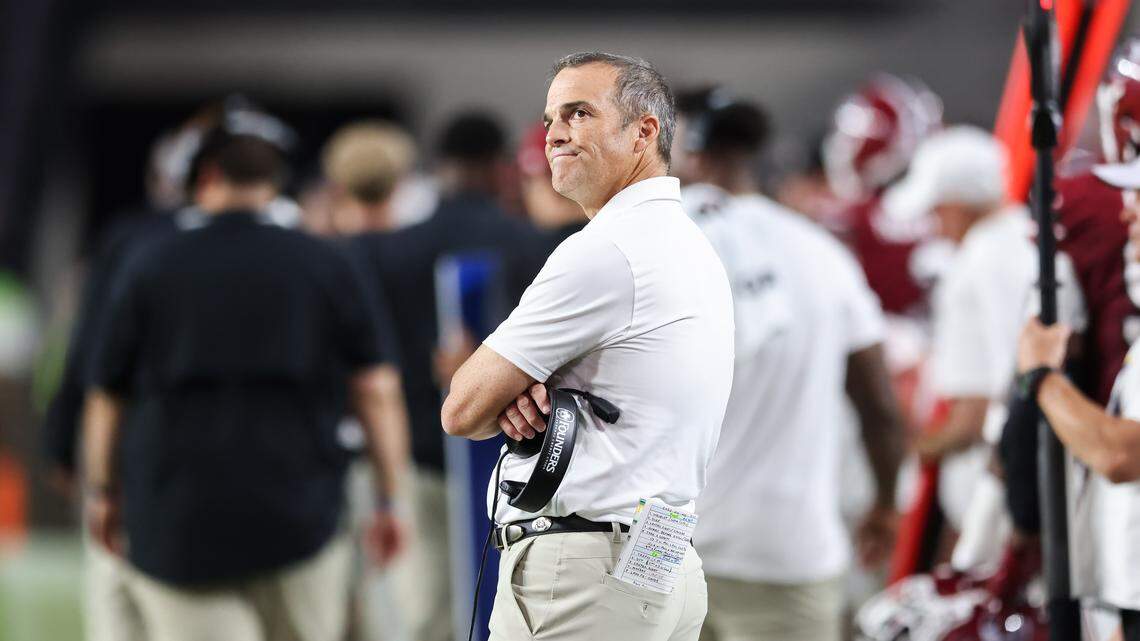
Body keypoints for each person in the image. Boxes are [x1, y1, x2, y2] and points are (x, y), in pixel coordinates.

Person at [81, 110, 409, 641]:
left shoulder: (149, 262)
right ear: (274, 181)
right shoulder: (324, 262)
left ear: (205, 176)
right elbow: (375, 388)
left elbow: (107, 395)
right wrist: (389, 498)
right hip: (300, 508)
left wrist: (102, 491)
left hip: (177, 514)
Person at [441, 52, 734, 641]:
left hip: (585, 573)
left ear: (644, 131)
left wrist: (511, 391)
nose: (554, 134)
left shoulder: (606, 249)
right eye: (551, 119)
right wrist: (523, 389)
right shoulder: (687, 241)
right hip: (661, 561)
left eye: (578, 114)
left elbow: (463, 410)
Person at [673, 88, 905, 641]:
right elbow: (878, 405)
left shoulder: (660, 246)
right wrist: (886, 504)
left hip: (665, 541)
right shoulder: (823, 254)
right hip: (787, 545)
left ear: (686, 149)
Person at [347, 110, 544, 641]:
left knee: (426, 609)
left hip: (418, 449)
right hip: (519, 458)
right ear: (502, 167)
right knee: (508, 604)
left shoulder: (388, 249)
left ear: (439, 167)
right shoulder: (535, 244)